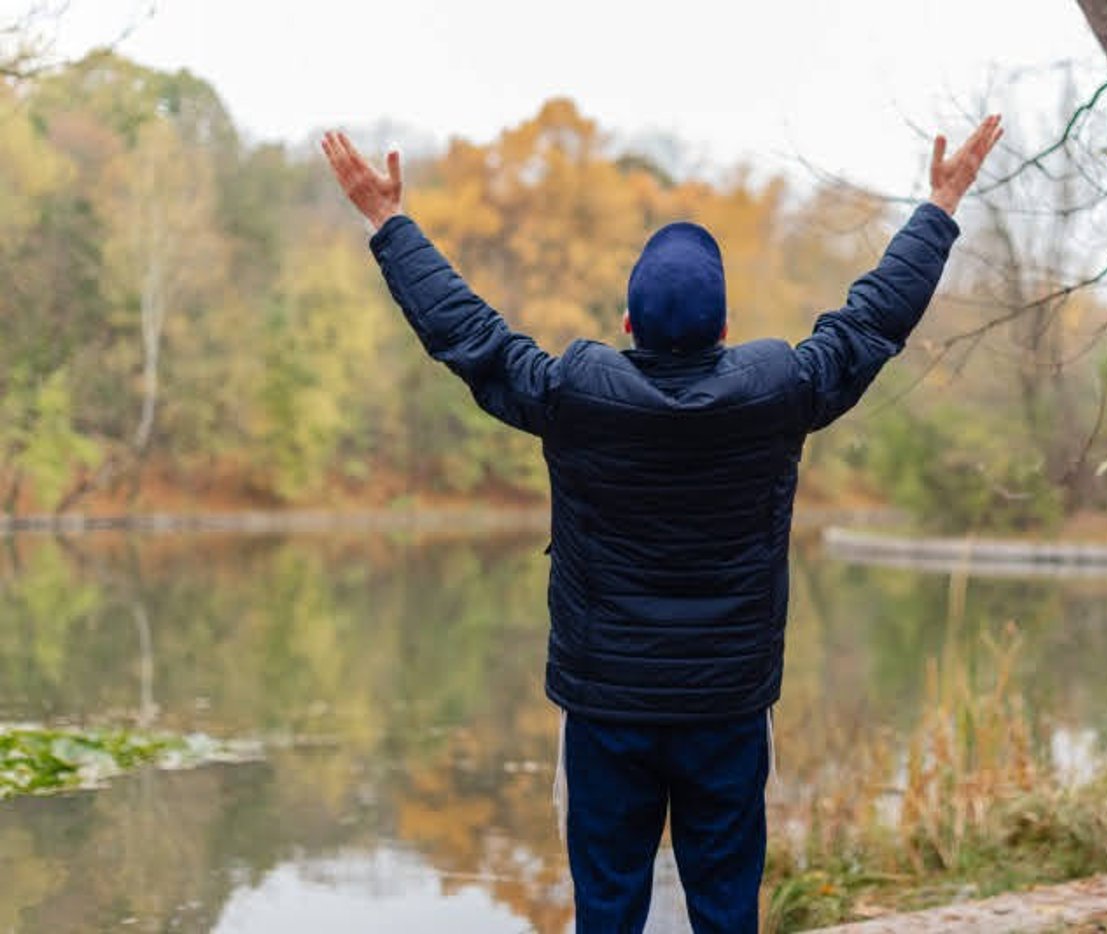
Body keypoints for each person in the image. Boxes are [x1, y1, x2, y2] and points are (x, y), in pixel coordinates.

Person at [322, 114, 1002, 933]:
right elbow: (870, 323)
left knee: (607, 910)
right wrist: (940, 207)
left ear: (628, 326)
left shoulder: (573, 394)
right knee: (723, 907)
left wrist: (388, 223)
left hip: (606, 708)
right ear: (723, 330)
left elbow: (469, 337)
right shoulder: (777, 390)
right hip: (727, 708)